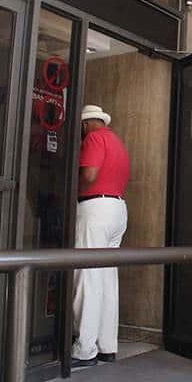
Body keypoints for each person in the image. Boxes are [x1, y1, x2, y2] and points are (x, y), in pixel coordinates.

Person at [71, 105, 131, 367]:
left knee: (87, 276)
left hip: (95, 209)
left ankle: (84, 349)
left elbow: (90, 174)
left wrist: (72, 186)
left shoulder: (93, 139)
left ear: (85, 124)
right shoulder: (117, 142)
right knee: (107, 278)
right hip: (118, 209)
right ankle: (107, 346)